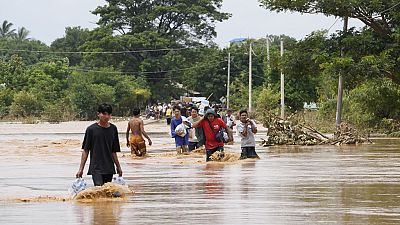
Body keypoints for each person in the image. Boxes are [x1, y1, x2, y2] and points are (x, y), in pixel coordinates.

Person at [75, 103, 123, 186]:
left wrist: (118, 167)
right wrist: (81, 169)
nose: (106, 116)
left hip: (109, 167)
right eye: (104, 114)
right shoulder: (91, 130)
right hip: (96, 167)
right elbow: (86, 150)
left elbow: (113, 151)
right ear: (98, 114)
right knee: (98, 188)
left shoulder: (113, 129)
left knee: (107, 191)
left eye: (109, 114)